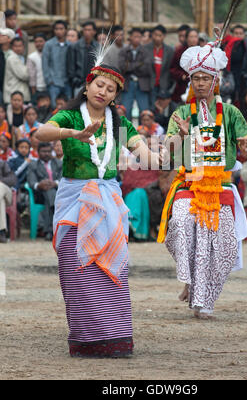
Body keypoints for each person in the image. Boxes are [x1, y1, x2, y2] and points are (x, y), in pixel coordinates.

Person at [35, 51, 167, 358]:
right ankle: (86, 336)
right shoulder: (69, 116)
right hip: (74, 198)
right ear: (87, 85)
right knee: (75, 262)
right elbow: (41, 132)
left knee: (112, 264)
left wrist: (162, 157)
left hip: (107, 198)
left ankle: (114, 338)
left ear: (115, 97)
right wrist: (73, 134)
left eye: (110, 89)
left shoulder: (118, 124)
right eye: (99, 84)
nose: (102, 91)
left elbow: (143, 153)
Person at [158, 41, 247, 319]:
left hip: (221, 186)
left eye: (205, 78)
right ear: (190, 81)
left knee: (223, 244)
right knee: (180, 225)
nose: (200, 83)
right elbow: (169, 149)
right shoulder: (179, 113)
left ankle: (206, 299)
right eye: (196, 78)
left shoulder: (231, 112)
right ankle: (191, 280)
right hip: (188, 185)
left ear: (216, 81)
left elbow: (246, 138)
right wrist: (185, 134)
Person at [27, 142, 62, 241]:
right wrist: (39, 185)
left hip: (57, 191)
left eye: (48, 151)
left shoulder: (59, 163)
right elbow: (31, 182)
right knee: (49, 192)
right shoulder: (33, 165)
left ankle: (49, 231)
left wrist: (54, 183)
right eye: (43, 151)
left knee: (50, 193)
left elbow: (63, 179)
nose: (46, 153)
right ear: (38, 152)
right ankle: (52, 230)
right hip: (39, 194)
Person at [119, 27, 152, 120]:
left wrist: (130, 66)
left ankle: (144, 133)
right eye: (135, 36)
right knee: (124, 111)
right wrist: (139, 64)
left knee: (145, 112)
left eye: (139, 37)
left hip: (142, 84)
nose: (137, 39)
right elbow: (122, 67)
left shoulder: (146, 51)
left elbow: (147, 68)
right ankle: (123, 134)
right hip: (127, 84)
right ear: (130, 37)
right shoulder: (123, 51)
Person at [144, 24, 175, 109]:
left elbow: (170, 68)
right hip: (149, 84)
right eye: (155, 35)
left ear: (164, 36)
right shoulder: (145, 48)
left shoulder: (169, 50)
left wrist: (169, 85)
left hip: (164, 84)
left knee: (162, 110)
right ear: (152, 35)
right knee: (149, 109)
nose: (157, 38)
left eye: (160, 35)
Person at [42, 20, 71, 107]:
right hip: (54, 83)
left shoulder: (70, 45)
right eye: (56, 29)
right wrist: (49, 80)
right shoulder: (48, 44)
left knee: (68, 107)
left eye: (61, 29)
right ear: (53, 30)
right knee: (54, 107)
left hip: (67, 82)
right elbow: (45, 63)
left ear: (65, 30)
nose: (59, 31)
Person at [67, 21, 99, 96]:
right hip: (79, 83)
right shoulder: (75, 46)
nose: (87, 32)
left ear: (94, 32)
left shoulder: (98, 46)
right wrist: (75, 80)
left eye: (89, 30)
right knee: (78, 105)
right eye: (85, 30)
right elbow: (70, 65)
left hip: (93, 83)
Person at [170, 28, 199, 103]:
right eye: (191, 37)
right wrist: (181, 75)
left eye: (195, 37)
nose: (193, 39)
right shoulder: (180, 52)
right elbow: (172, 69)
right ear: (186, 38)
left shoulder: (202, 52)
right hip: (182, 85)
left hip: (198, 85)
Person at [3, 38, 30, 104]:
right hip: (15, 93)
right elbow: (24, 75)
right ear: (12, 47)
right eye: (16, 46)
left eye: (20, 46)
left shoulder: (19, 57)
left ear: (24, 47)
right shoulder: (13, 58)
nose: (18, 48)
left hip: (17, 93)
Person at [0, 158, 17, 243]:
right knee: (0, 202)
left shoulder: (3, 164)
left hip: (6, 194)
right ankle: (1, 232)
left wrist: (1, 181)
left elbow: (13, 179)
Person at [27, 33, 47, 99]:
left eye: (41, 41)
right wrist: (33, 90)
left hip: (50, 87)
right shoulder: (31, 57)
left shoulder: (50, 55)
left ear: (45, 42)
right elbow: (31, 75)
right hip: (38, 88)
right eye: (36, 42)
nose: (38, 44)